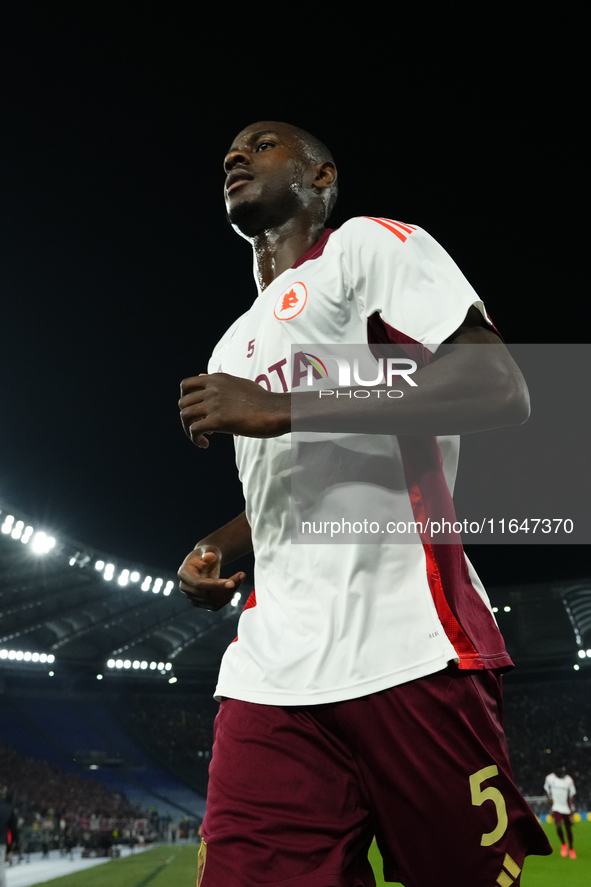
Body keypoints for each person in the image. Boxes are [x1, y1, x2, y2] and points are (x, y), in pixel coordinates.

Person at [177, 121, 552, 886]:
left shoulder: (369, 249)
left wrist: (282, 407)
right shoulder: (231, 348)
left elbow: (496, 387)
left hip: (410, 649)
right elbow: (284, 498)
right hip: (272, 674)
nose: (236, 155)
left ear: (321, 178)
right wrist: (217, 546)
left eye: (265, 143)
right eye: (231, 150)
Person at [544, 766, 577, 859]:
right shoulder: (550, 778)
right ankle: (563, 844)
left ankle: (571, 849)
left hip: (566, 808)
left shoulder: (569, 780)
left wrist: (572, 808)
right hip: (556, 807)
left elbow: (573, 794)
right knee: (558, 826)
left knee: (569, 829)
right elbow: (547, 789)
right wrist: (550, 799)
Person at [0, 785, 18, 887]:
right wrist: (12, 849)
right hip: (1, 843)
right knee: (1, 868)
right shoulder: (8, 808)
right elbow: (14, 830)